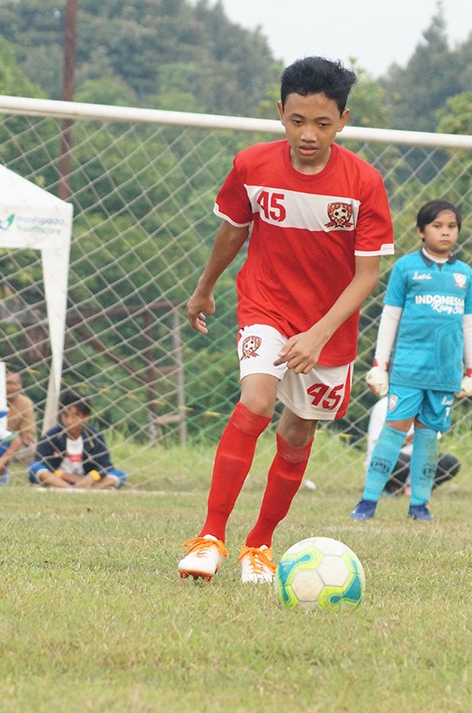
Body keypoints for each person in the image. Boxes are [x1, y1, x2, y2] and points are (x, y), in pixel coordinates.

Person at [176, 57, 394, 584]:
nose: (308, 135)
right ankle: (209, 538)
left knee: (295, 435)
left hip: (329, 330)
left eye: (322, 123)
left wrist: (318, 335)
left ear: (343, 120)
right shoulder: (251, 165)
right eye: (297, 120)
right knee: (256, 399)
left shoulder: (364, 184)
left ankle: (260, 544)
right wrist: (204, 289)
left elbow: (367, 275)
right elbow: (232, 231)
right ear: (280, 113)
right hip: (265, 306)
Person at [350, 198, 472, 522]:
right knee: (395, 429)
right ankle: (368, 501)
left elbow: (468, 324)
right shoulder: (406, 268)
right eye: (437, 226)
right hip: (408, 368)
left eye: (451, 226)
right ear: (421, 230)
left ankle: (419, 505)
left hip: (445, 371)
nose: (445, 232)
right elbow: (390, 317)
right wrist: (379, 364)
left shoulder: (464, 274)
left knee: (428, 434)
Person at [28, 390, 126, 489]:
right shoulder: (52, 436)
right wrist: (67, 477)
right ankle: (68, 489)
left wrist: (89, 478)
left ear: (86, 417)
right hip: (58, 479)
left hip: (86, 480)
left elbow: (105, 465)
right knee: (33, 467)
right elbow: (42, 461)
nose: (69, 421)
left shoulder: (94, 437)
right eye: (65, 415)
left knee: (120, 474)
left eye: (75, 416)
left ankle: (93, 488)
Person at [365, 395, 461, 496]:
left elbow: (434, 446)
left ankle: (420, 487)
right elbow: (383, 447)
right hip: (392, 458)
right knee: (393, 459)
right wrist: (414, 436)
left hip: (418, 459)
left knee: (450, 462)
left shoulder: (428, 407)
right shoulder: (384, 405)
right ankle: (392, 487)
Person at [5, 370, 37, 464]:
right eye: (9, 383)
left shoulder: (26, 403)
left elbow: (27, 431)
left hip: (11, 442)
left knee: (33, 448)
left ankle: (9, 458)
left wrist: (27, 437)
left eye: (17, 383)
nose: (13, 387)